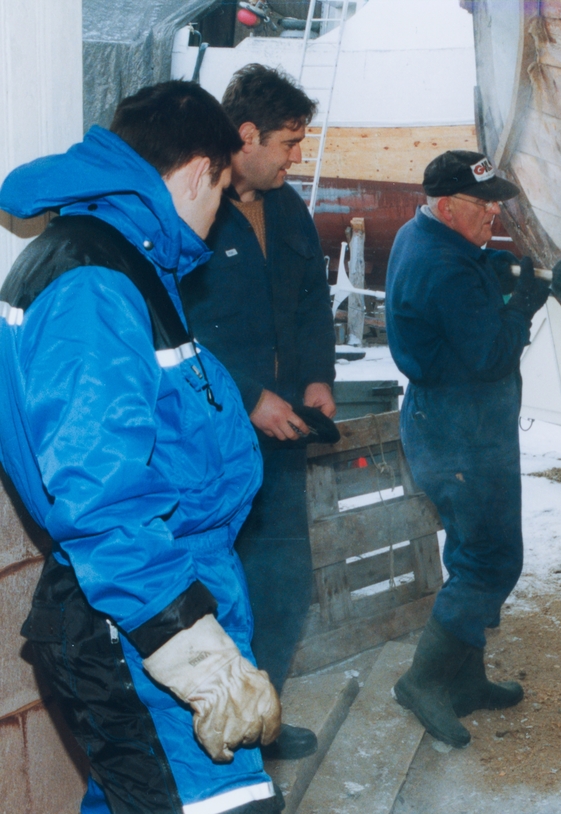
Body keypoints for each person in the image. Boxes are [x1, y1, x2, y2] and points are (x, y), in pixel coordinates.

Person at [0, 82, 282, 814]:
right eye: (221, 188)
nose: (219, 211)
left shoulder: (123, 261)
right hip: (134, 618)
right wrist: (192, 651)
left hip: (160, 590)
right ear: (197, 171)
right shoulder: (94, 282)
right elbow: (100, 491)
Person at [181, 64, 336, 760]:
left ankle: (262, 716)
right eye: (291, 142)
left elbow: (311, 300)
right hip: (212, 444)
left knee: (286, 581)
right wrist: (248, 397)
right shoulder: (192, 209)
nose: (296, 157)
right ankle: (217, 731)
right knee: (221, 586)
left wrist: (316, 380)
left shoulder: (288, 207)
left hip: (283, 439)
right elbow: (176, 329)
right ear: (247, 135)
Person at [385, 150, 550, 747]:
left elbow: (469, 279)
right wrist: (524, 307)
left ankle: (466, 677)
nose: (494, 215)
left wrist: (504, 275)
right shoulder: (442, 264)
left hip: (453, 424)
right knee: (491, 561)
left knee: (471, 553)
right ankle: (424, 682)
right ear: (448, 205)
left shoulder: (422, 233)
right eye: (484, 205)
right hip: (460, 431)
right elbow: (490, 356)